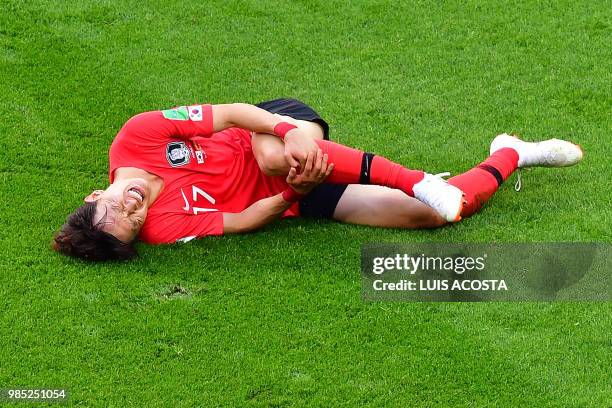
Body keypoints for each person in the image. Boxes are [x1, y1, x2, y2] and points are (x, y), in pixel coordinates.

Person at [52, 98, 583, 261]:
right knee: (439, 215)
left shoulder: (136, 136)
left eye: (119, 206)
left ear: (95, 195)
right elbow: (240, 219)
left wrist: (289, 132)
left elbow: (234, 113)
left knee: (273, 157)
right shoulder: (156, 227)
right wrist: (294, 196)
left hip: (271, 129)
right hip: (292, 192)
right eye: (133, 222)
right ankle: (514, 152)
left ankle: (417, 178)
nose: (134, 210)